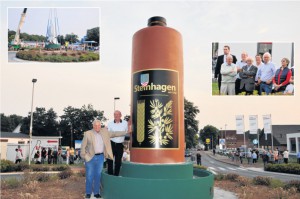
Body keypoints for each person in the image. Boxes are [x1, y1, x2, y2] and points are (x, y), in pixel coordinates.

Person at [81, 119, 130, 199]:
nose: (97, 127)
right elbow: (83, 147)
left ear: (101, 126)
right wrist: (85, 157)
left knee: (98, 176)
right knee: (89, 176)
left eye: (99, 125)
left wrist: (126, 132)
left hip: (100, 157)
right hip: (90, 158)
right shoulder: (87, 134)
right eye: (95, 125)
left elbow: (115, 133)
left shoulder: (105, 132)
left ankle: (96, 193)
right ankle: (88, 193)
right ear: (93, 126)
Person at [107, 110, 128, 176]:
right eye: (115, 115)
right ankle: (110, 175)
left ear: (120, 115)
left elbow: (126, 133)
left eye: (118, 114)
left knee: (118, 162)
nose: (116, 116)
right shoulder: (110, 123)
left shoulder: (125, 123)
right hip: (112, 143)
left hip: (120, 144)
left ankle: (116, 175)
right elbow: (109, 134)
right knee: (110, 160)